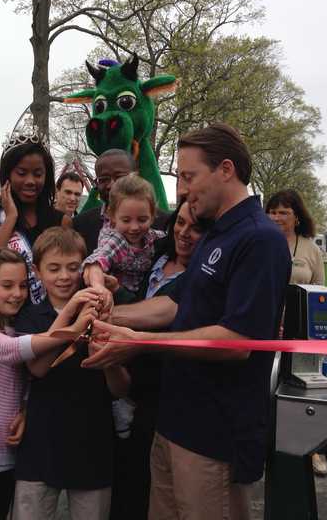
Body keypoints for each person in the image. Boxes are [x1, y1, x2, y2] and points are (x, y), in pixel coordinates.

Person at [83, 123, 292, 520]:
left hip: (214, 434)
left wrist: (140, 343)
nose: (181, 189)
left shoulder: (259, 239)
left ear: (225, 170)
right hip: (174, 422)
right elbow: (175, 304)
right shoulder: (216, 233)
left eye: (188, 176)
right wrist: (101, 313)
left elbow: (238, 339)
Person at [0, 248, 97, 520]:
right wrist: (71, 327)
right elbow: (10, 350)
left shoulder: (15, 326)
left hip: (6, 455)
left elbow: (27, 377)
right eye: (7, 285)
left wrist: (24, 409)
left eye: (23, 285)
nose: (17, 293)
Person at [12, 228, 130, 520]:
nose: (64, 276)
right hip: (41, 440)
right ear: (37, 272)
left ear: (85, 270)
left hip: (93, 440)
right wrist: (73, 323)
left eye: (73, 267)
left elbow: (120, 388)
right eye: (53, 268)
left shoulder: (107, 311)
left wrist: (107, 356)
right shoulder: (29, 316)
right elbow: (37, 369)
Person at [109, 200, 209, 520]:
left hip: (162, 392)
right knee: (124, 478)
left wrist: (107, 315)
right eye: (180, 223)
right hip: (128, 385)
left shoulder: (202, 276)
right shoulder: (157, 257)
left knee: (148, 486)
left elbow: (165, 312)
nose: (184, 232)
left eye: (196, 228)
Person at [265, 188, 327, 476]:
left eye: (283, 212)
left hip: (298, 336)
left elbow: (320, 293)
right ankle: (264, 445)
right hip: (262, 332)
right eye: (272, 211)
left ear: (297, 217)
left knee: (302, 396)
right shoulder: (259, 242)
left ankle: (313, 450)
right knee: (263, 391)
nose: (276, 217)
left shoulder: (310, 249)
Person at [0, 132, 69, 304]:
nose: (30, 181)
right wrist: (10, 219)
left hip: (47, 322)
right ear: (7, 176)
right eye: (21, 173)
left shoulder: (62, 221)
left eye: (38, 174)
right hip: (0, 322)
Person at [73, 149, 170, 255]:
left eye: (120, 177)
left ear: (136, 176)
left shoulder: (165, 223)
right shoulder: (80, 225)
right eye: (104, 179)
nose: (112, 185)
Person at [83, 174, 165, 294]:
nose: (134, 227)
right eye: (126, 220)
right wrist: (98, 286)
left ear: (152, 217)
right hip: (115, 300)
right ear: (112, 217)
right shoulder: (115, 239)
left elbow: (167, 237)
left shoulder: (151, 236)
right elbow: (99, 259)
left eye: (142, 220)